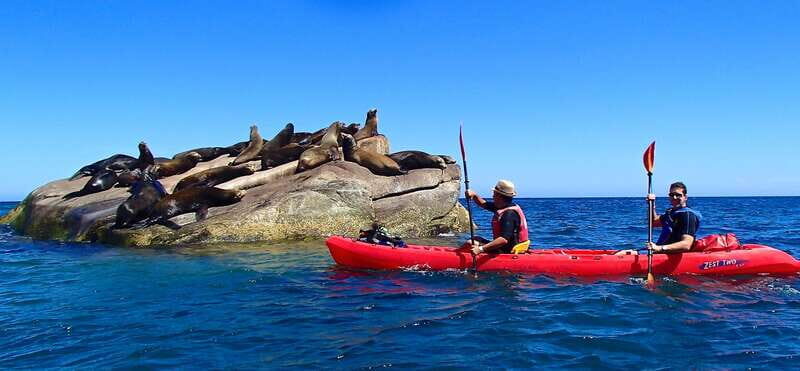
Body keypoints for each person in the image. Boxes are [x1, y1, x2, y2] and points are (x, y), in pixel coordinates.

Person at [463, 179, 530, 255]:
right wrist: (474, 195)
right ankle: (456, 253)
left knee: (470, 243)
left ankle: (456, 258)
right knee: (476, 238)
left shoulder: (509, 214)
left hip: (508, 251)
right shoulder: (503, 206)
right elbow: (484, 204)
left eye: (494, 194)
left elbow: (503, 240)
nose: (492, 196)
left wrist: (480, 249)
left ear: (499, 196)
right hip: (506, 247)